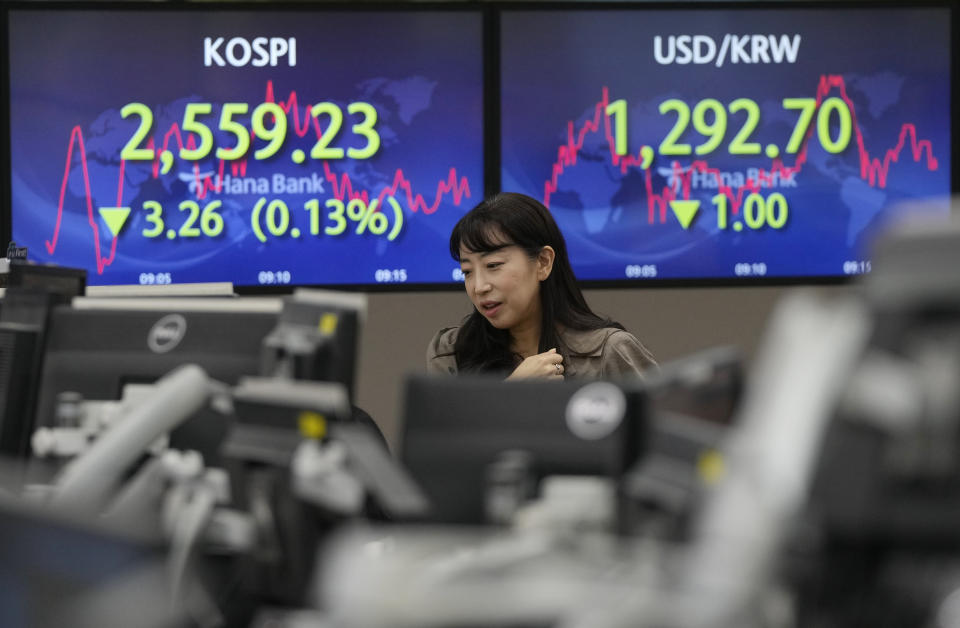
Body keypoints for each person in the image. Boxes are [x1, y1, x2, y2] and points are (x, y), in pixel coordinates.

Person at [427, 192, 656, 380]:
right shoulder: (450, 352)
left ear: (543, 262)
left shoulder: (608, 352)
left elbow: (668, 432)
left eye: (493, 265)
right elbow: (442, 436)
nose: (478, 287)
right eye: (467, 271)